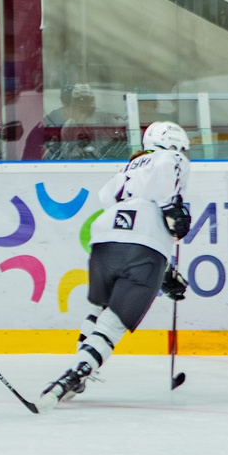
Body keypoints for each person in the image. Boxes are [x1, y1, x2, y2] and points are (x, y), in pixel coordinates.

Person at [46, 121, 192, 404]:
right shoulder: (171, 158)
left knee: (98, 309)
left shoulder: (130, 167)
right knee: (113, 322)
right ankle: (79, 371)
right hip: (144, 244)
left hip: (105, 237)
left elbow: (106, 197)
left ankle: (79, 373)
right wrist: (171, 209)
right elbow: (165, 175)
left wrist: (164, 272)